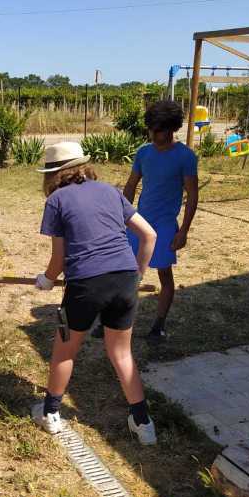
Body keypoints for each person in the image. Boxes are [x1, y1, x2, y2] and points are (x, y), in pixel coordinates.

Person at [32, 142, 158, 444]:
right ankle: (143, 424)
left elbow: (59, 260)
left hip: (86, 284)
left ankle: (50, 413)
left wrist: (47, 280)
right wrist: (137, 275)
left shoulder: (57, 200)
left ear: (53, 174)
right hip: (125, 279)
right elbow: (149, 235)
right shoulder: (111, 191)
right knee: (121, 352)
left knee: (65, 349)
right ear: (83, 167)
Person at [121, 100, 199, 341]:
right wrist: (121, 216)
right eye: (151, 129)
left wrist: (183, 231)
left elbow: (193, 195)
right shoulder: (144, 152)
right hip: (139, 223)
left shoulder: (185, 156)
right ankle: (114, 321)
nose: (154, 134)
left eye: (159, 130)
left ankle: (159, 325)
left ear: (172, 128)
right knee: (126, 273)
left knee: (164, 275)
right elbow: (131, 185)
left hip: (165, 226)